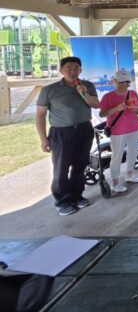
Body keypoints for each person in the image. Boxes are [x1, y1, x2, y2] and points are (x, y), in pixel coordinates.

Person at [36, 56, 100, 216]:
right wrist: (43, 139)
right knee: (61, 167)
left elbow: (95, 104)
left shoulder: (88, 85)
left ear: (81, 69)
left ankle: (77, 195)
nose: (73, 71)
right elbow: (40, 115)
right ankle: (62, 201)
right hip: (61, 133)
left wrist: (84, 93)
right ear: (61, 70)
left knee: (81, 165)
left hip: (84, 129)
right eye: (68, 68)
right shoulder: (49, 90)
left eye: (76, 68)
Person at [99, 69, 138, 193]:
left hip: (134, 127)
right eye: (121, 81)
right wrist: (116, 109)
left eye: (127, 81)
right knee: (117, 155)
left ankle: (129, 175)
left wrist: (137, 109)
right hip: (117, 130)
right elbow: (102, 114)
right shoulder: (108, 96)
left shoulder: (133, 93)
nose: (125, 84)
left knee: (133, 152)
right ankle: (115, 182)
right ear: (115, 81)